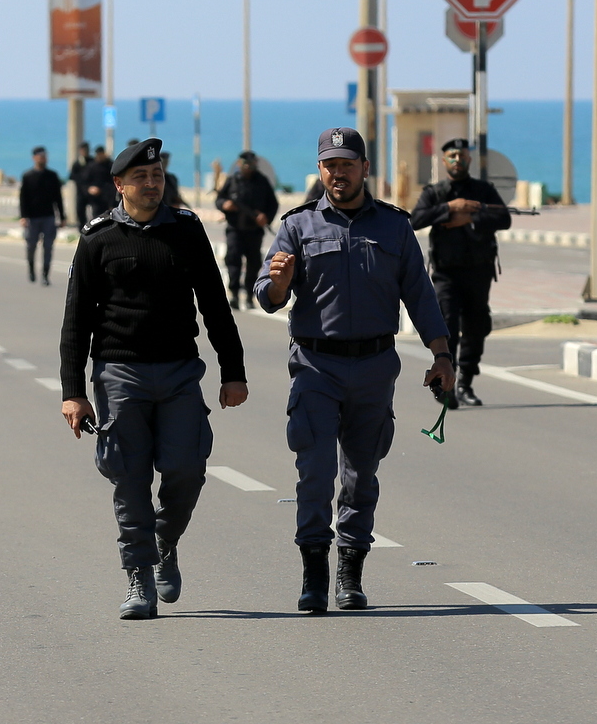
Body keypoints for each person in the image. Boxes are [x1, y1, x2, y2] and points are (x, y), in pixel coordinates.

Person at [254, 127, 453, 614]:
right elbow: (267, 294)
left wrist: (442, 355)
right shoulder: (298, 226)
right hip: (315, 366)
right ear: (319, 170)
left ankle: (351, 571)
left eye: (346, 164)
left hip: (374, 366)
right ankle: (314, 574)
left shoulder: (394, 227)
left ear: (365, 168)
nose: (337, 173)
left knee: (361, 474)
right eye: (329, 165)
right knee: (315, 472)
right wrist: (279, 284)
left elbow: (421, 296)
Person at [60, 138, 248, 620]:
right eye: (141, 178)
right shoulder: (98, 237)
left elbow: (214, 303)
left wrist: (233, 371)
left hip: (180, 371)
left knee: (187, 468)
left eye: (157, 176)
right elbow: (76, 319)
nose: (151, 184)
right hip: (120, 373)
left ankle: (165, 537)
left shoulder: (186, 230)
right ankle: (138, 576)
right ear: (120, 185)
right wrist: (74, 392)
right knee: (129, 477)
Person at [409, 138, 512, 406]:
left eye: (462, 155)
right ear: (444, 161)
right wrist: (449, 210)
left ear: (469, 159)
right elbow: (415, 219)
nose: (457, 160)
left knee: (477, 327)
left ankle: (466, 383)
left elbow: (504, 218)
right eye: (452, 156)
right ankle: (448, 386)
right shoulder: (435, 192)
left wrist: (472, 216)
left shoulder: (483, 190)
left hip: (479, 271)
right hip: (446, 274)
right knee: (448, 328)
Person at [216, 151, 279, 310]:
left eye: (251, 164)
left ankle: (250, 296)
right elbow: (219, 199)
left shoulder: (262, 181)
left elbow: (273, 204)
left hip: (254, 231)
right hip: (235, 229)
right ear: (239, 164)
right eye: (245, 164)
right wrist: (225, 205)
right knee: (233, 260)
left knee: (254, 263)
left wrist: (266, 217)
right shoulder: (233, 181)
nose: (248, 167)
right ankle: (235, 294)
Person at [19, 146, 66, 284]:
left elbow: (58, 197)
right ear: (34, 158)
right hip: (32, 218)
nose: (42, 159)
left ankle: (45, 274)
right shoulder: (27, 176)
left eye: (44, 156)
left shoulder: (52, 176)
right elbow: (23, 198)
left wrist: (62, 217)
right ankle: (31, 269)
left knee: (48, 247)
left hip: (48, 217)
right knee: (31, 245)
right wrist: (23, 216)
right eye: (39, 156)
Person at [67, 142, 94, 231]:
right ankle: (81, 229)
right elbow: (72, 176)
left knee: (95, 210)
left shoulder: (92, 161)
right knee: (80, 211)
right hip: (81, 191)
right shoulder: (77, 163)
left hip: (91, 191)